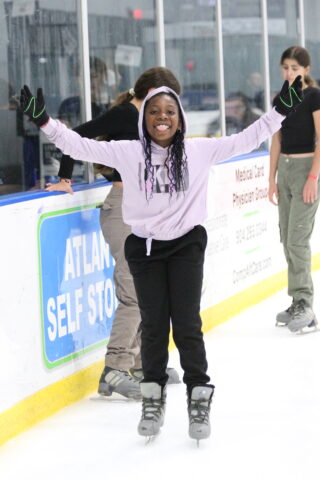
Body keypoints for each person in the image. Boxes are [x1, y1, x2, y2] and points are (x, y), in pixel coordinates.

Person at [20, 75, 302, 441]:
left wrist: (280, 110)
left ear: (180, 118)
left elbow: (249, 137)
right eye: (154, 111)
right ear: (145, 118)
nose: (162, 117)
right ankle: (152, 396)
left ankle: (198, 394)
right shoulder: (129, 152)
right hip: (146, 249)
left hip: (186, 246)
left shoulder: (200, 151)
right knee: (153, 326)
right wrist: (44, 122)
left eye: (170, 111)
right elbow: (78, 144)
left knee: (186, 324)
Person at [45, 67, 182, 400]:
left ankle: (136, 362)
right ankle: (115, 368)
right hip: (121, 208)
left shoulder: (145, 119)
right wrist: (66, 178)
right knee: (133, 292)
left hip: (139, 208)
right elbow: (75, 136)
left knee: (146, 290)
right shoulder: (124, 114)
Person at [268, 46, 320, 334]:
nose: (289, 73)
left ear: (306, 70)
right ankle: (297, 300)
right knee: (287, 239)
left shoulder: (313, 96)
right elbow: (276, 141)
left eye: (295, 68)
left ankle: (305, 304)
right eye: (285, 67)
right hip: (285, 172)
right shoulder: (280, 99)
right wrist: (271, 178)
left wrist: (313, 176)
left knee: (298, 239)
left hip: (305, 171)